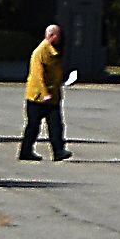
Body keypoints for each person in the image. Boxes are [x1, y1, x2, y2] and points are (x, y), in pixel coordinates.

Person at [19, 25, 70, 162]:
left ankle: (58, 151)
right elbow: (37, 75)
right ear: (51, 36)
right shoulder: (40, 52)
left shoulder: (55, 51)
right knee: (33, 126)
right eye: (58, 36)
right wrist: (44, 93)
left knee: (56, 125)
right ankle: (25, 151)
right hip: (37, 97)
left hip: (52, 96)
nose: (60, 39)